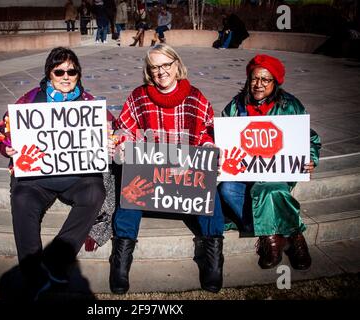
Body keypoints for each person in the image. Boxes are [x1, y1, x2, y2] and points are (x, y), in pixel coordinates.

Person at [0, 47, 113, 300]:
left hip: (76, 178)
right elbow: (3, 133)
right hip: (36, 180)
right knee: (22, 199)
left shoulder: (89, 104)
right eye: (59, 71)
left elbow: (114, 129)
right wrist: (8, 147)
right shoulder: (29, 100)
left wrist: (110, 138)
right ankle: (33, 274)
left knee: (96, 192)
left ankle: (55, 260)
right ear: (49, 73)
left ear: (78, 74)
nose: (66, 76)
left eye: (72, 71)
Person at [109, 44, 225, 294]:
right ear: (148, 71)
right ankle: (121, 257)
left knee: (211, 196)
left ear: (176, 65)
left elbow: (207, 133)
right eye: (154, 67)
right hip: (151, 174)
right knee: (129, 194)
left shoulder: (195, 97)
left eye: (166, 65)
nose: (161, 71)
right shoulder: (139, 96)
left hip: (185, 174)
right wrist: (123, 146)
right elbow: (124, 130)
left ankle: (214, 256)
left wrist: (210, 150)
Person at [217, 54, 321, 271]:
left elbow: (310, 138)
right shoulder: (236, 106)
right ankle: (281, 235)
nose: (259, 84)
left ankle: (283, 238)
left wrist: (310, 158)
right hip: (244, 172)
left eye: (266, 80)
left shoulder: (290, 105)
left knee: (269, 190)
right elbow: (222, 138)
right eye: (255, 79)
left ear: (275, 82)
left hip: (277, 171)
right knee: (226, 189)